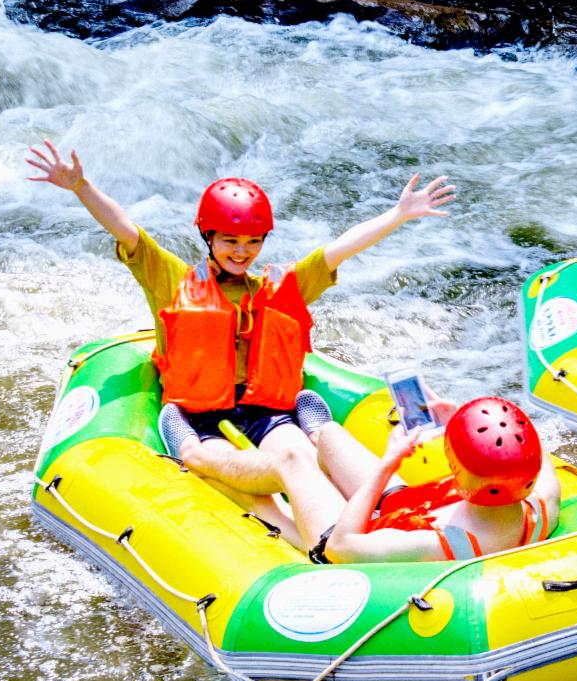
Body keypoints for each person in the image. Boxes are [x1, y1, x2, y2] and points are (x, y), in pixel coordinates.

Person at [25, 139, 453, 529]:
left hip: (265, 408)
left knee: (297, 450)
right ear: (208, 236)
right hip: (198, 416)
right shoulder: (173, 279)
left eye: (252, 242)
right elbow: (127, 231)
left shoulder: (276, 288)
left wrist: (398, 215)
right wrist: (82, 187)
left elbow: (340, 249)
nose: (241, 252)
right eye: (230, 240)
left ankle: (392, 508)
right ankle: (323, 539)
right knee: (266, 472)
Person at [311, 397, 561, 563]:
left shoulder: (432, 545)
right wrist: (461, 422)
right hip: (405, 512)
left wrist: (388, 464)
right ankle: (316, 438)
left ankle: (300, 448)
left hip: (337, 536)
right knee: (330, 435)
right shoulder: (546, 502)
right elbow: (530, 449)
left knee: (291, 456)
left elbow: (339, 547)